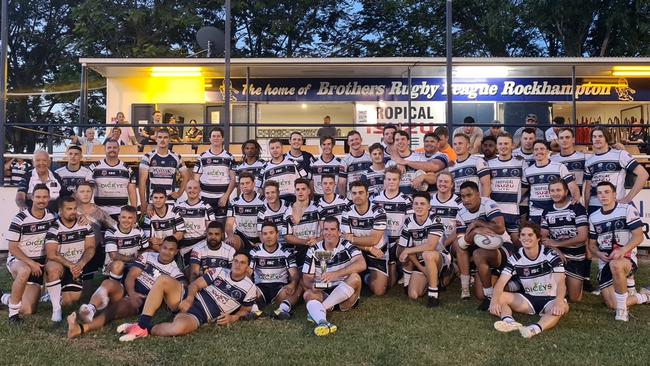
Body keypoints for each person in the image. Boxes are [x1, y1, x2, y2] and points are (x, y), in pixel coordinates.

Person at [115, 252, 254, 340]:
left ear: (248, 267)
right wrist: (188, 298)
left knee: (177, 329)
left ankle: (145, 330)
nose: (237, 264)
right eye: (236, 261)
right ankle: (141, 324)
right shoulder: (219, 271)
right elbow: (195, 285)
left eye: (242, 262)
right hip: (184, 299)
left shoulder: (250, 288)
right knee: (163, 279)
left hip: (199, 315)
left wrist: (233, 317)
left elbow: (245, 311)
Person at [68, 237, 184, 339]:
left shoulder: (175, 272)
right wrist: (131, 292)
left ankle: (81, 328)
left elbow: (173, 295)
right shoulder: (148, 255)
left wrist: (135, 297)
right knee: (108, 283)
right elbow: (131, 276)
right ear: (161, 247)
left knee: (113, 310)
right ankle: (90, 309)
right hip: (127, 289)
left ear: (176, 252)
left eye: (171, 250)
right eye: (164, 248)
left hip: (139, 300)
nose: (166, 252)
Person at [489, 223, 569, 338]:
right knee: (499, 297)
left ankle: (535, 329)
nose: (526, 238)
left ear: (538, 238)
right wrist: (494, 301)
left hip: (550, 299)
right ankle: (509, 322)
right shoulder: (515, 258)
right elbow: (501, 282)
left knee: (563, 307)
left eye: (530, 235)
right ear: (520, 238)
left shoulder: (550, 255)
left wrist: (559, 301)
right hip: (529, 298)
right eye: (523, 235)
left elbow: (561, 282)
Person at [588, 181, 650, 321]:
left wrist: (623, 250)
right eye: (600, 193)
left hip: (625, 259)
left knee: (616, 264)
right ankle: (644, 296)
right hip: (606, 262)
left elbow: (638, 236)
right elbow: (591, 245)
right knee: (611, 304)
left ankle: (622, 311)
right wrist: (598, 253)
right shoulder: (594, 217)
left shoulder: (626, 209)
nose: (603, 195)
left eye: (607, 192)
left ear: (615, 194)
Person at [302, 217, 366, 337]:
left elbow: (362, 264)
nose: (328, 232)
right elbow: (306, 278)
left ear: (338, 231)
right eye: (326, 229)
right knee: (308, 294)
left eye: (332, 229)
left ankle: (320, 309)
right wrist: (314, 286)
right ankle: (323, 322)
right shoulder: (313, 249)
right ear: (322, 231)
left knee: (355, 277)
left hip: (346, 294)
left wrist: (336, 274)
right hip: (324, 291)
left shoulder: (346, 245)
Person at [1, 184, 56, 324]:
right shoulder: (20, 219)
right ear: (31, 197)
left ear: (49, 198)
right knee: (24, 270)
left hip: (39, 266)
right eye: (38, 197)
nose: (41, 200)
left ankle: (3, 297)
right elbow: (12, 248)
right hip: (20, 261)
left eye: (44, 197)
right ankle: (13, 316)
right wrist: (31, 263)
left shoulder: (52, 217)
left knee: (28, 309)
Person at [453, 181, 511, 306]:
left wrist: (478, 223)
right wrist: (475, 232)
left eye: (469, 195)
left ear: (478, 194)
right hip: (481, 250)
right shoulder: (461, 212)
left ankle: (491, 296)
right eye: (463, 197)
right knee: (479, 294)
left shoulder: (488, 203)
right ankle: (465, 287)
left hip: (502, 246)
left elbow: (500, 228)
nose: (466, 199)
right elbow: (462, 243)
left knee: (479, 253)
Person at [44, 196, 95, 322]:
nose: (73, 211)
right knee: (52, 266)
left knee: (70, 301)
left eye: (74, 208)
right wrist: (71, 265)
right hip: (62, 265)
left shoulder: (85, 226)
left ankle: (51, 295)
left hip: (77, 266)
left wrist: (81, 264)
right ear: (61, 210)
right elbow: (51, 254)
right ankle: (56, 309)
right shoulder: (54, 228)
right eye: (68, 209)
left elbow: (90, 248)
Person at [398, 191, 449, 307]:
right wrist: (422, 268)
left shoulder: (435, 219)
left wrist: (407, 251)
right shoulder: (409, 221)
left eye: (422, 203)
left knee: (428, 254)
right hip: (421, 261)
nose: (419, 206)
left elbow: (431, 246)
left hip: (439, 259)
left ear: (429, 206)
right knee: (414, 294)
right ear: (412, 206)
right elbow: (408, 248)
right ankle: (433, 279)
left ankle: (433, 295)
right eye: (416, 204)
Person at [540, 180, 589, 302]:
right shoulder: (547, 211)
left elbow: (583, 236)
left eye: (558, 190)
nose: (555, 193)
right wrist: (556, 250)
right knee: (550, 293)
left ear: (566, 191)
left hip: (576, 256)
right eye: (552, 190)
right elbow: (543, 237)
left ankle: (571, 282)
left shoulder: (577, 208)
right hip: (557, 255)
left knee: (575, 298)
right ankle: (560, 281)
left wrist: (557, 243)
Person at [584, 127, 648, 214]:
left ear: (606, 138)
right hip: (594, 207)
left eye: (600, 136)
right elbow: (588, 188)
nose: (597, 139)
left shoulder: (620, 154)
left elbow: (643, 174)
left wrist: (628, 198)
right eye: (594, 137)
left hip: (615, 205)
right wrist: (587, 208)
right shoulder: (589, 161)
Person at [246, 222, 302, 320]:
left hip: (280, 289)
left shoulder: (286, 252)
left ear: (277, 234)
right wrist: (248, 286)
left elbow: (295, 274)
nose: (268, 236)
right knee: (246, 286)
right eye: (265, 234)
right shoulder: (255, 252)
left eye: (271, 233)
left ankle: (282, 309)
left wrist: (293, 284)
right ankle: (255, 311)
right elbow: (247, 273)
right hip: (260, 288)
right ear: (261, 236)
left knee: (300, 283)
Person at [341, 180, 388, 296]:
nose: (357, 196)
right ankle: (359, 274)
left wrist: (352, 239)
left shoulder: (378, 211)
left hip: (378, 251)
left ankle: (366, 277)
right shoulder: (347, 211)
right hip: (358, 251)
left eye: (361, 192)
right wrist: (369, 248)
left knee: (379, 291)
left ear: (367, 194)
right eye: (354, 193)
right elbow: (345, 240)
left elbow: (374, 240)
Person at [522, 140, 580, 225]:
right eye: (536, 149)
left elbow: (571, 185)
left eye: (542, 149)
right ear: (533, 152)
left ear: (548, 151)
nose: (539, 151)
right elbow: (522, 190)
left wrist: (576, 198)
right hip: (536, 212)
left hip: (555, 210)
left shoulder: (559, 167)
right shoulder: (528, 171)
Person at [74, 182, 116, 298]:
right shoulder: (71, 210)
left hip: (94, 249)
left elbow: (114, 225)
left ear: (92, 192)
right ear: (76, 193)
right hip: (74, 249)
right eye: (82, 191)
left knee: (87, 288)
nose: (85, 194)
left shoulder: (99, 211)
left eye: (88, 191)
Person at [371, 166, 411, 285]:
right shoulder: (375, 199)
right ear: (384, 181)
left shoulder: (406, 200)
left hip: (398, 241)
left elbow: (410, 224)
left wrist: (402, 240)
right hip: (380, 241)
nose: (391, 182)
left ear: (399, 181)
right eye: (388, 179)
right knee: (389, 283)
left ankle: (403, 269)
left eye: (394, 179)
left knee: (392, 282)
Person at [487, 133, 527, 244]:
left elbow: (526, 184)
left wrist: (517, 198)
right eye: (500, 143)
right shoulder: (489, 164)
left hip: (512, 211)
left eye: (506, 143)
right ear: (496, 146)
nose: (503, 146)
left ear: (512, 146)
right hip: (495, 211)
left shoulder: (520, 162)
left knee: (517, 243)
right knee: (496, 243)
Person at [193, 127, 237, 220]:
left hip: (222, 198)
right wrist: (199, 195)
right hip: (205, 198)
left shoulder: (229, 157)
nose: (216, 138)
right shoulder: (202, 156)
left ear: (223, 138)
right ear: (210, 139)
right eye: (213, 136)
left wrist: (226, 196)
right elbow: (196, 179)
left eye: (218, 136)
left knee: (220, 227)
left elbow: (233, 179)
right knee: (206, 226)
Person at [139, 128, 190, 207]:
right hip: (153, 201)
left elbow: (186, 175)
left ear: (169, 139)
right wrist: (143, 203)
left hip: (170, 201)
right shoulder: (147, 157)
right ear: (156, 139)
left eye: (165, 137)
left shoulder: (177, 157)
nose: (162, 140)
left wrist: (179, 193)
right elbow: (142, 181)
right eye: (160, 137)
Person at [89, 140, 138, 219]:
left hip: (121, 213)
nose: (112, 150)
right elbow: (87, 191)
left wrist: (134, 212)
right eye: (109, 147)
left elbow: (132, 193)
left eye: (115, 147)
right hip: (99, 212)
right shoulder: (94, 168)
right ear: (105, 149)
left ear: (119, 149)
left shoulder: (127, 169)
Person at [389, 131, 447, 195]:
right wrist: (399, 162)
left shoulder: (442, 156)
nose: (429, 144)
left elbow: (430, 167)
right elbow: (393, 150)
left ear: (438, 144)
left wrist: (403, 162)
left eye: (432, 141)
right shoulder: (420, 155)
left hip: (430, 197)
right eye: (426, 141)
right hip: (405, 199)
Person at [173, 180, 216, 266]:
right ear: (185, 189)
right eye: (189, 188)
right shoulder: (178, 207)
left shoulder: (206, 207)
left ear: (200, 190)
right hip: (183, 246)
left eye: (195, 188)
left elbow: (211, 229)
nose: (192, 190)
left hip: (201, 244)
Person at [103, 205, 149, 282]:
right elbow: (114, 256)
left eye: (130, 218)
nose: (126, 221)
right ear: (119, 218)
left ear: (135, 219)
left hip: (133, 263)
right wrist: (133, 259)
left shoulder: (138, 231)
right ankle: (113, 287)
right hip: (115, 265)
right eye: (123, 217)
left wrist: (141, 257)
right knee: (119, 264)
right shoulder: (111, 232)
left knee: (151, 256)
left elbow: (146, 249)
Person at [284, 178, 321, 266]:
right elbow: (287, 237)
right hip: (299, 249)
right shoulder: (288, 211)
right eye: (298, 189)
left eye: (303, 189)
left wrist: (317, 240)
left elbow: (326, 231)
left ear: (309, 191)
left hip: (318, 247)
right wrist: (305, 242)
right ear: (294, 192)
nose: (300, 192)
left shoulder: (318, 207)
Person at [257, 138, 307, 203]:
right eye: (272, 148)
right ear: (269, 150)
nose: (275, 150)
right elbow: (259, 189)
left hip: (293, 202)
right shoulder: (264, 168)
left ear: (282, 148)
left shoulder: (293, 163)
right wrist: (267, 203)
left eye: (277, 147)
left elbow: (305, 180)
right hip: (275, 203)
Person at [226, 172, 265, 251]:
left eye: (247, 183)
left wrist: (264, 241)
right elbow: (229, 223)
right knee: (229, 242)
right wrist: (230, 236)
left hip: (260, 236)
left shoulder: (264, 200)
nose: (245, 186)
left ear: (253, 184)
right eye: (242, 184)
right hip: (242, 237)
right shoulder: (234, 202)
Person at [144, 188, 186, 253]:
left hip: (173, 248)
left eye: (161, 197)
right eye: (155, 197)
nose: (158, 200)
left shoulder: (174, 210)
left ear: (166, 199)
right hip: (157, 249)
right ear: (151, 199)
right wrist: (162, 251)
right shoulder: (148, 216)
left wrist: (162, 241)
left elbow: (180, 234)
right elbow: (149, 240)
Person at [449, 133, 491, 197]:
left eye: (460, 143)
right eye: (455, 144)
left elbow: (486, 185)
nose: (457, 146)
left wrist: (484, 203)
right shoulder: (451, 166)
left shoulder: (478, 161)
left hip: (475, 204)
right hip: (458, 205)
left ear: (468, 145)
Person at [429, 171, 462, 250]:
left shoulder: (459, 203)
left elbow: (461, 228)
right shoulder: (429, 201)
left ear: (451, 185)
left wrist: (444, 244)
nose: (442, 184)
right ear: (436, 183)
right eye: (440, 181)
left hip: (451, 241)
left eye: (446, 182)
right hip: (432, 241)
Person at [338, 131, 372, 199]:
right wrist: (343, 199)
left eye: (356, 139)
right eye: (351, 140)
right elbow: (342, 183)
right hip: (352, 198)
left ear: (361, 140)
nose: (354, 142)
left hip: (368, 198)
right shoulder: (345, 160)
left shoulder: (370, 157)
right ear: (348, 143)